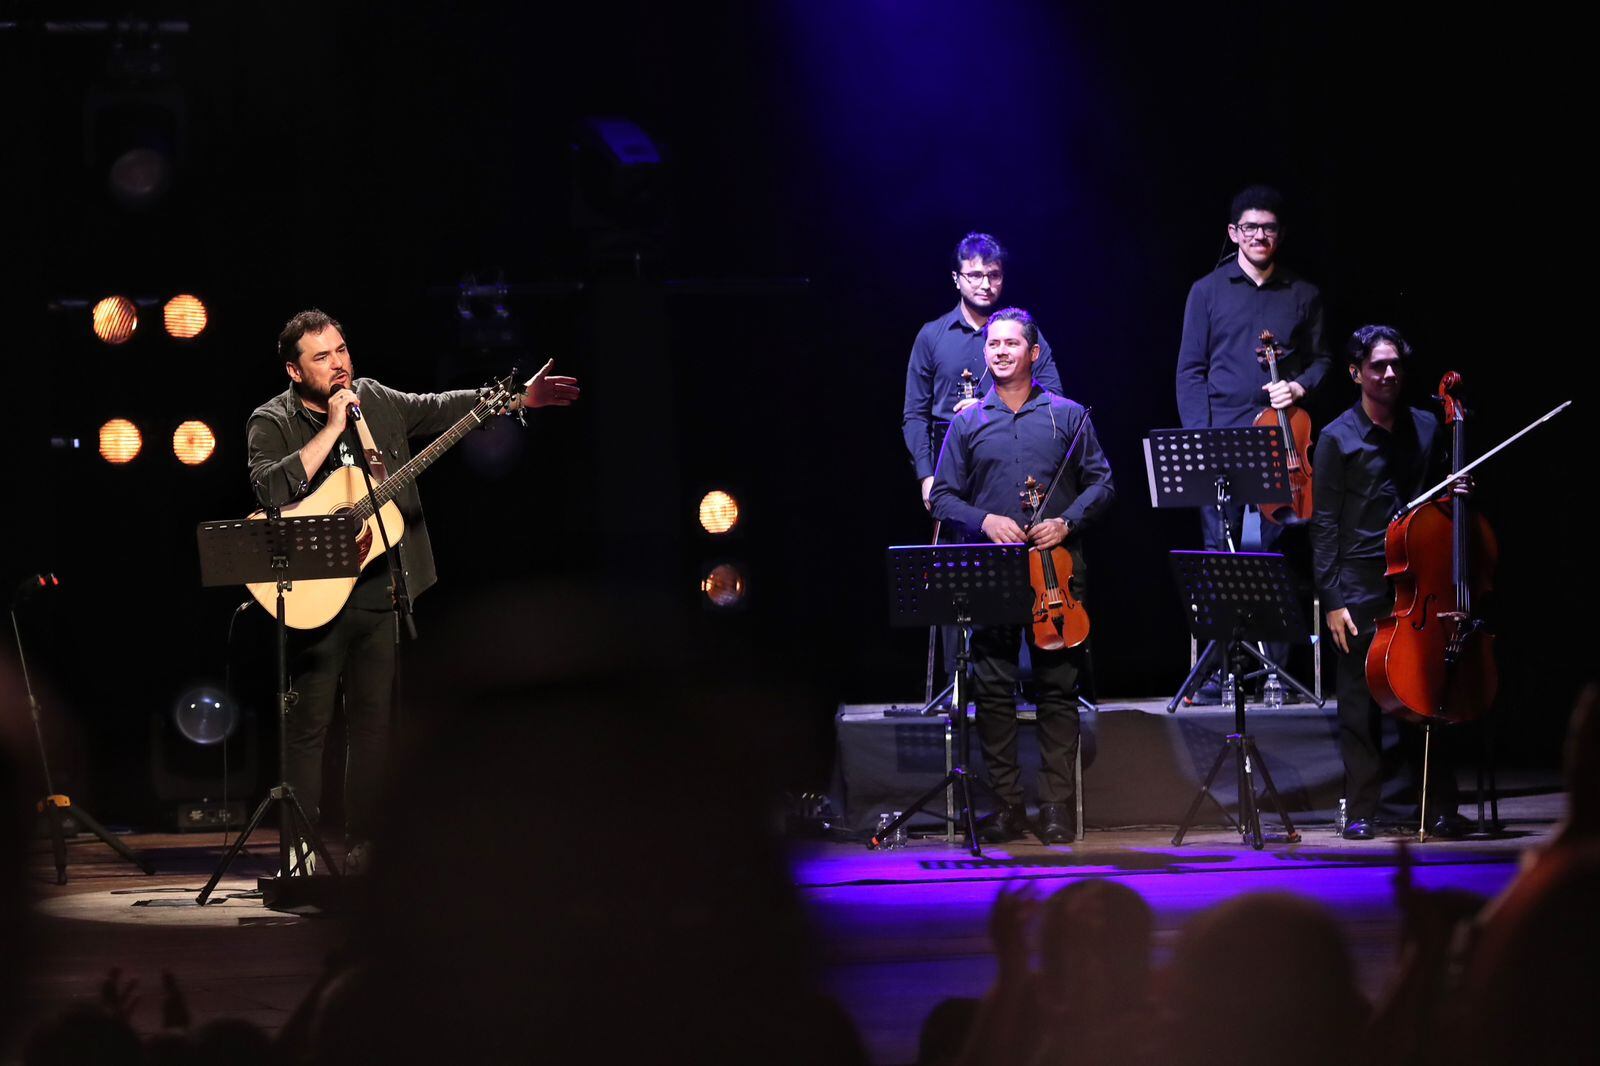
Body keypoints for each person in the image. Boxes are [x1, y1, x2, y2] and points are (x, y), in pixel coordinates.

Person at [245, 309, 578, 869]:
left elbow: (446, 406)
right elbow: (270, 489)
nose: (338, 364)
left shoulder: (373, 399)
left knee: (373, 727)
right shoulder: (271, 420)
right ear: (294, 370)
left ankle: (366, 848)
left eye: (342, 350)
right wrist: (330, 427)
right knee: (309, 728)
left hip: (380, 590)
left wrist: (518, 398)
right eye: (321, 357)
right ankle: (299, 849)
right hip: (313, 596)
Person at [930, 308, 1113, 844]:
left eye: (1012, 344)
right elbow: (942, 496)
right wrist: (984, 520)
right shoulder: (967, 421)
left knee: (1058, 687)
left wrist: (1066, 520)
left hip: (1057, 573)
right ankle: (1007, 804)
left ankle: (1055, 805)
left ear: (1034, 353)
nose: (1001, 351)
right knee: (992, 689)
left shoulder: (1067, 415)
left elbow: (1103, 484)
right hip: (993, 571)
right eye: (993, 345)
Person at [1310, 324, 1465, 840]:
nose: (1389, 373)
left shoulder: (1425, 426)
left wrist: (1458, 488)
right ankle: (1362, 810)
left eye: (1395, 363)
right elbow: (1325, 524)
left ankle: (1439, 805)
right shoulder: (1336, 438)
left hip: (1419, 582)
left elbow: (1439, 502)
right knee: (1358, 703)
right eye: (1377, 366)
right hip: (1359, 584)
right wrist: (1331, 599)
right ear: (1356, 373)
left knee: (1428, 693)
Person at [904, 232, 1063, 515]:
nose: (986, 285)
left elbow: (1054, 400)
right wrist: (926, 476)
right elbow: (915, 415)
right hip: (953, 472)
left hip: (1013, 466)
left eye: (994, 275)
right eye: (975, 275)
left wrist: (989, 407)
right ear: (956, 278)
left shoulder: (1025, 335)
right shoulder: (931, 336)